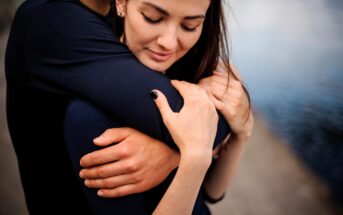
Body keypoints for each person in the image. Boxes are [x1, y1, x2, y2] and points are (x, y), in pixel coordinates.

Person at [5, 0, 253, 214]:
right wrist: (191, 155)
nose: (168, 42)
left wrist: (239, 132)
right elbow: (201, 125)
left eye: (190, 26)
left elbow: (210, 191)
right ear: (122, 4)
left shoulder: (182, 60)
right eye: (152, 18)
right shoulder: (91, 115)